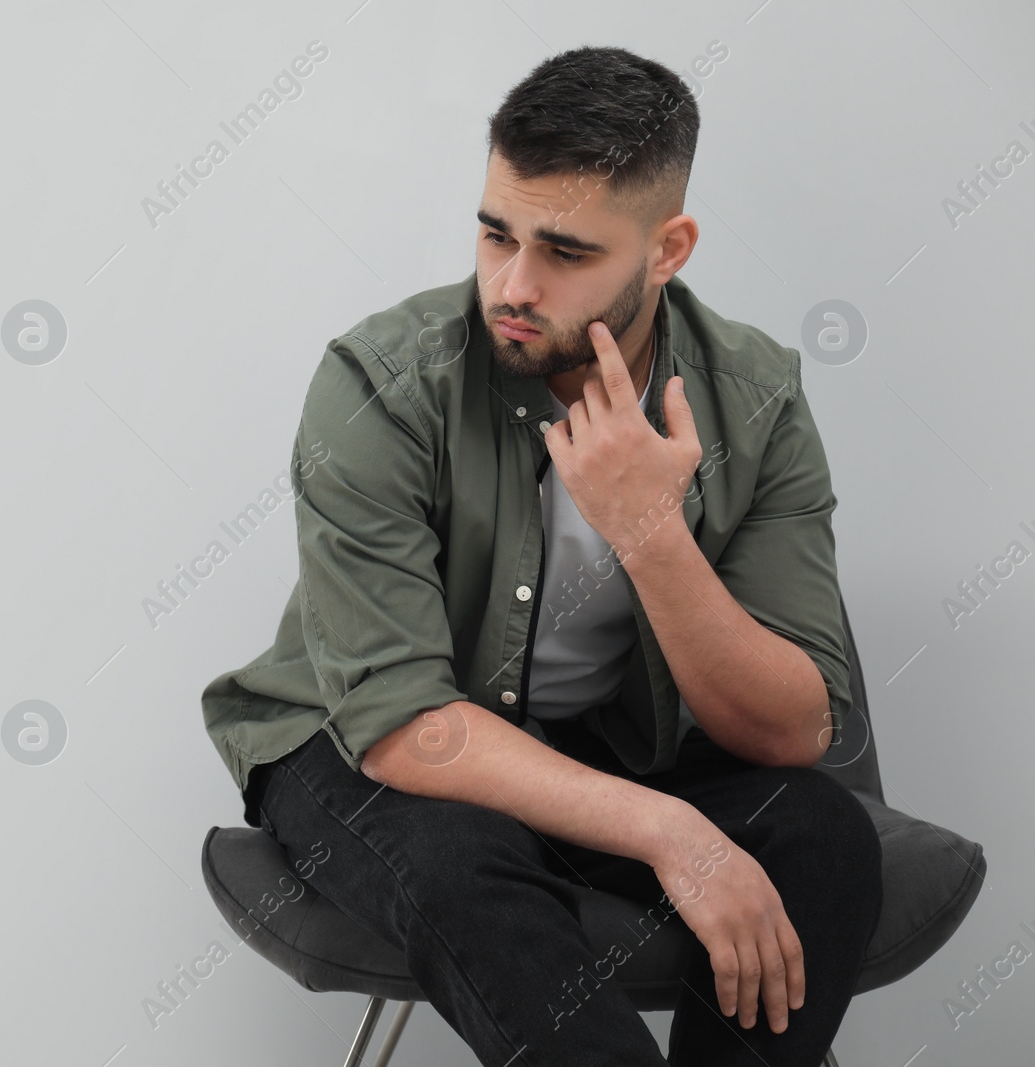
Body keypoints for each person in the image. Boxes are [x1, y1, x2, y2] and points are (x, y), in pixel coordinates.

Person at [201, 45, 883, 1066]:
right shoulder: (381, 382)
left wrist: (650, 533)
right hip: (356, 743)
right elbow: (399, 726)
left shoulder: (756, 397)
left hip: (611, 743)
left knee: (821, 837)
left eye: (564, 252)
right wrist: (671, 832)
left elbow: (792, 727)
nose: (511, 285)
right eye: (494, 233)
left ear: (667, 248)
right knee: (459, 858)